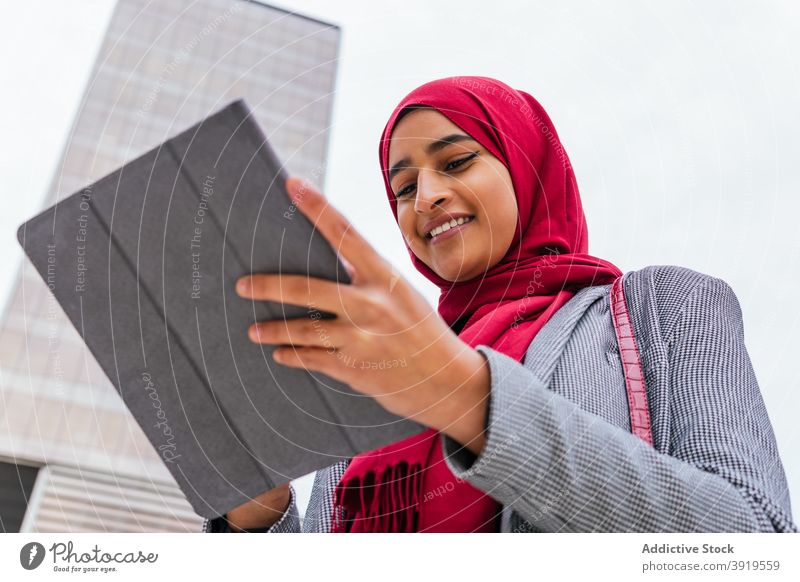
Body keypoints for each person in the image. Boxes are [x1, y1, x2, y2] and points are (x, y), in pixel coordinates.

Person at [203, 76, 796, 533]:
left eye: (457, 161)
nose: (426, 197)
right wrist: (257, 509)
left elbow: (753, 541)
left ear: (524, 163)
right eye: (403, 188)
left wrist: (468, 399)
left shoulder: (663, 308)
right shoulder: (374, 373)